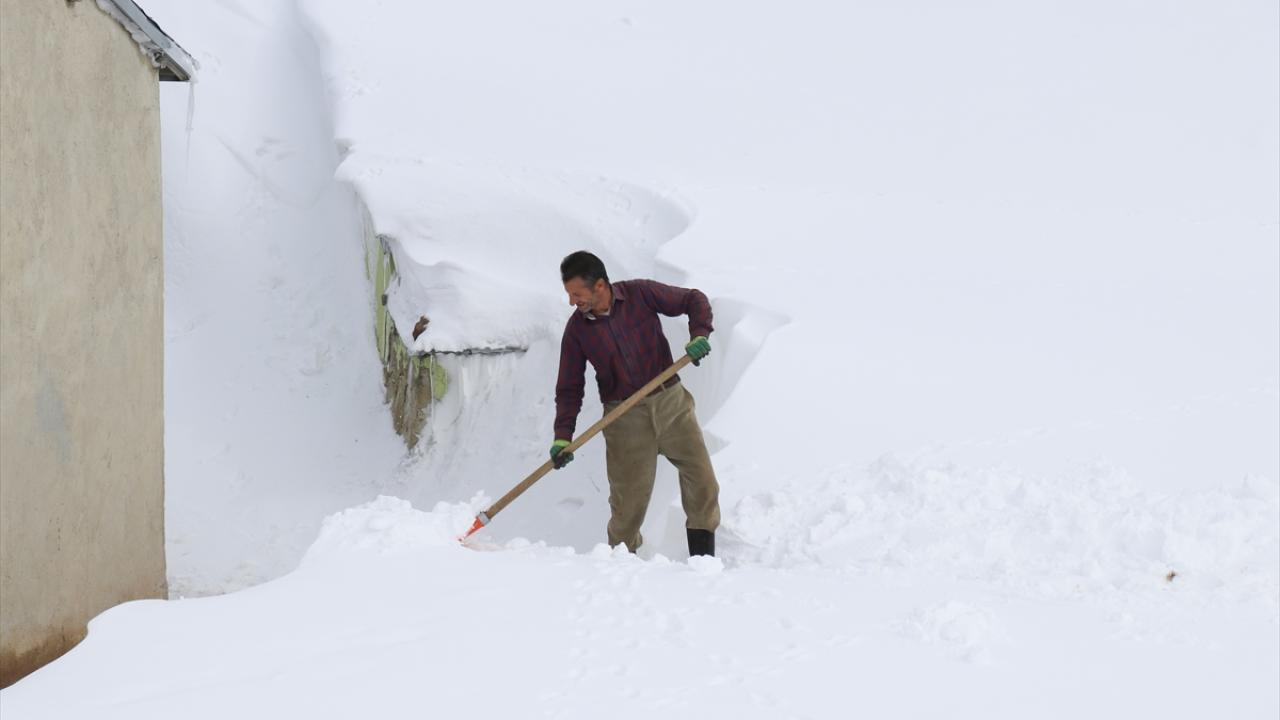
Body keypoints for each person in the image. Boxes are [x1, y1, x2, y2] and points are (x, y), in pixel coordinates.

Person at [550, 250, 721, 557]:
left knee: (703, 483)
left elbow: (693, 299)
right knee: (627, 507)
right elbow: (569, 388)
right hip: (624, 419)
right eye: (569, 295)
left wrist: (699, 334)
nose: (572, 302)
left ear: (600, 285)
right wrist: (563, 435)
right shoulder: (577, 331)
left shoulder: (640, 293)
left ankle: (703, 564)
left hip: (671, 404)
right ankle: (622, 572)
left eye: (576, 294)